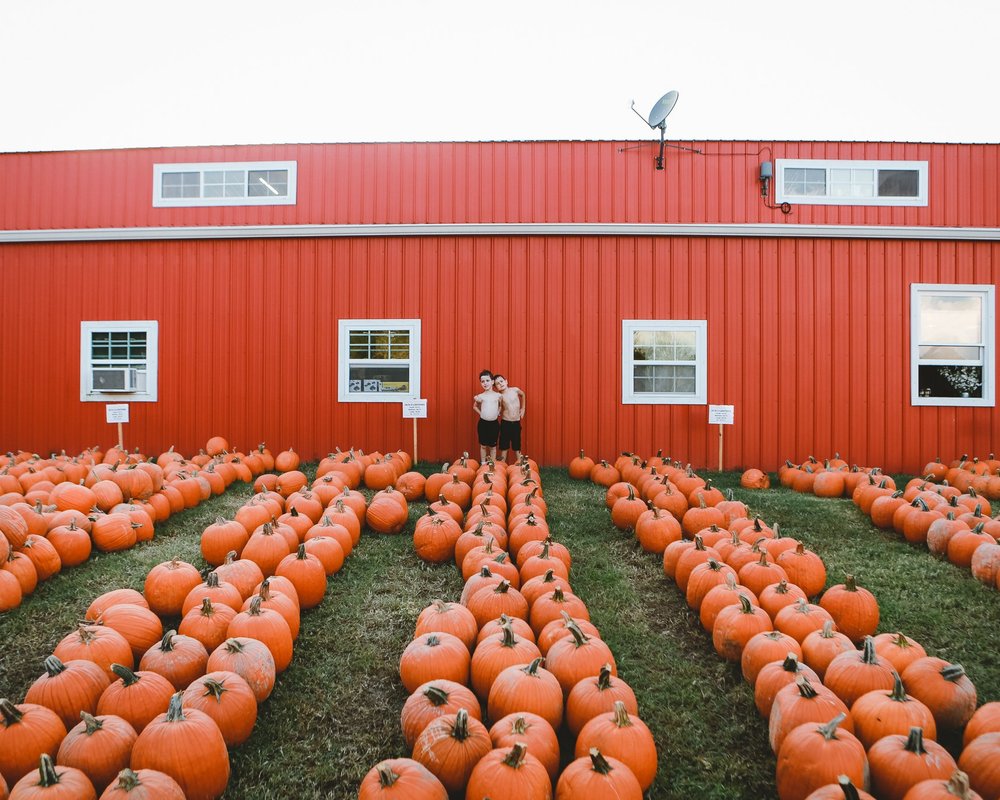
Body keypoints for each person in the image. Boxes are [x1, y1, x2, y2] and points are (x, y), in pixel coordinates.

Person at [493, 374, 525, 463]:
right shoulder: (499, 396)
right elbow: (499, 407)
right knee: (504, 444)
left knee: (517, 444)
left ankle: (520, 462)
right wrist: (497, 411)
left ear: (506, 381)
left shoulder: (515, 390)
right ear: (496, 388)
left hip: (516, 422)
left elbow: (523, 394)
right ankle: (502, 465)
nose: (500, 384)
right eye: (497, 384)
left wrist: (523, 408)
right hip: (506, 423)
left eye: (501, 381)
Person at [472, 369, 501, 462]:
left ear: (492, 382)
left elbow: (501, 405)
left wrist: (498, 412)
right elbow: (474, 406)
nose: (485, 383)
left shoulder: (498, 396)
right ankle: (483, 463)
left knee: (492, 446)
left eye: (487, 380)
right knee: (483, 445)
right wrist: (482, 414)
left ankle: (492, 464)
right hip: (483, 423)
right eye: (482, 381)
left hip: (494, 424)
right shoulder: (480, 396)